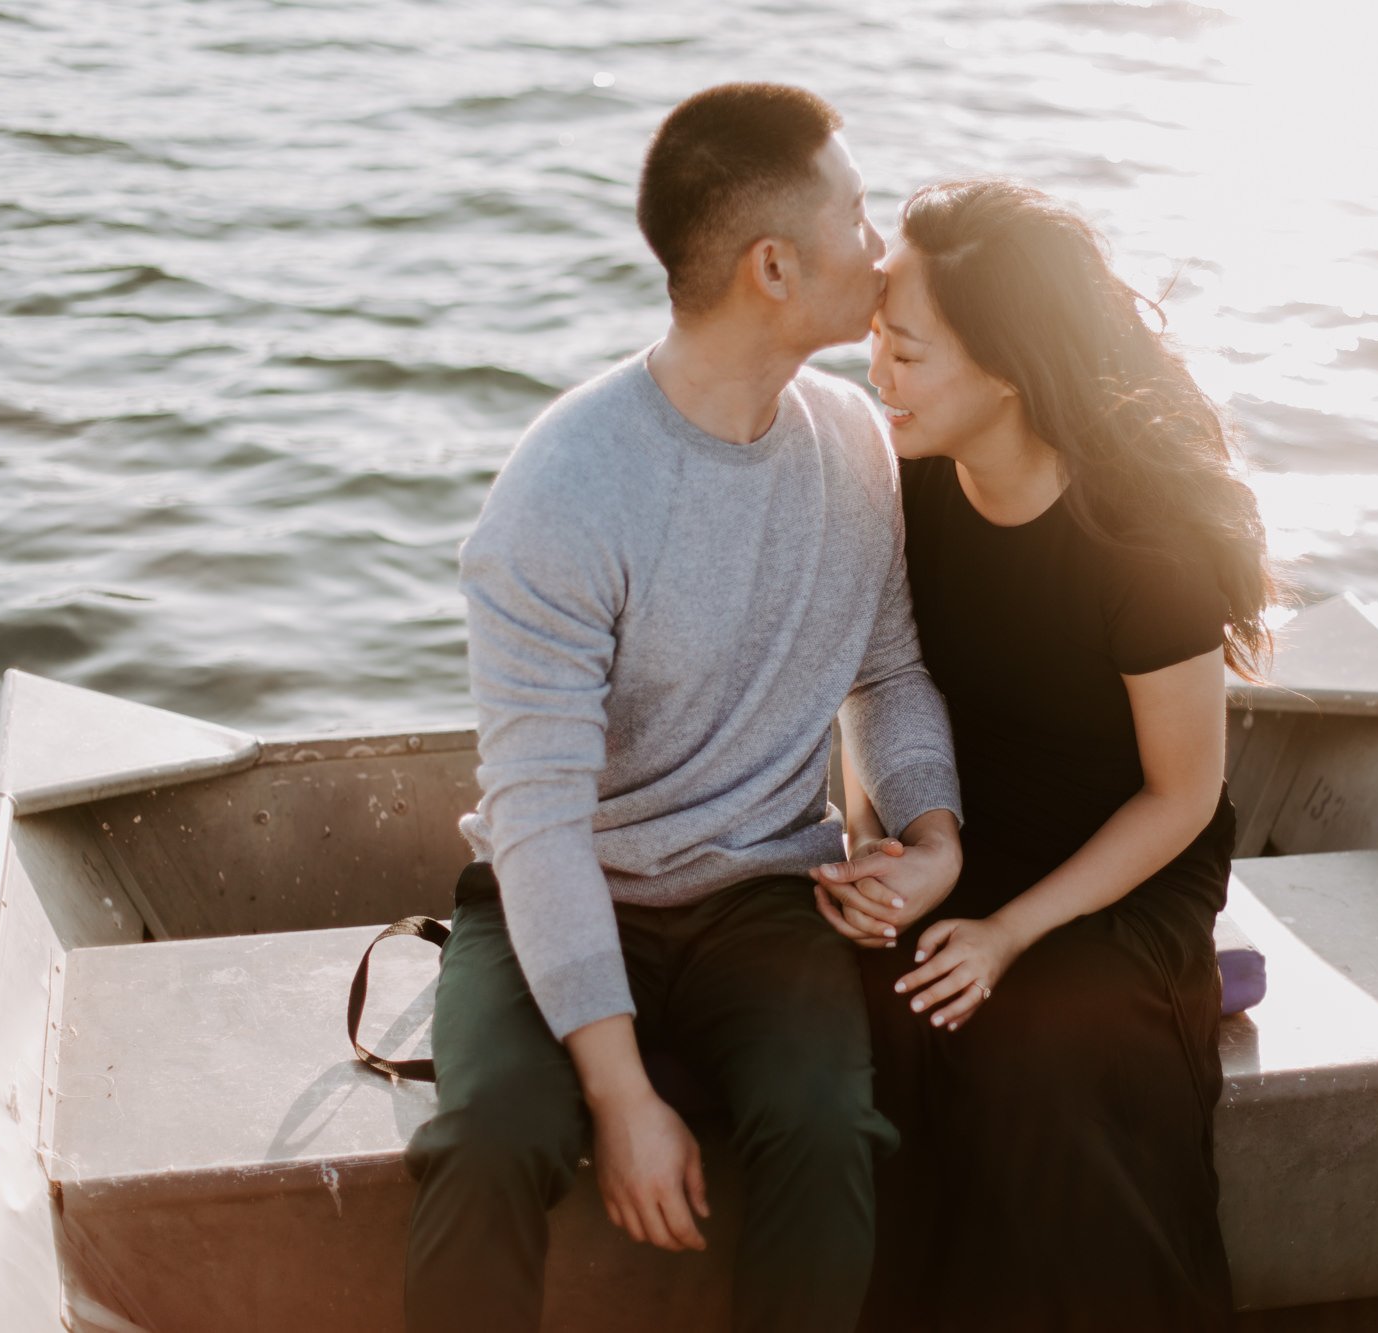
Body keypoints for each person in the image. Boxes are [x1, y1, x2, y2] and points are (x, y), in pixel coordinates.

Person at [402, 84, 965, 1333]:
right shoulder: (564, 491)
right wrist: (618, 1095)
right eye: (859, 215)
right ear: (775, 266)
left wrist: (932, 839)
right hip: (564, 885)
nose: (881, 249)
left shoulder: (858, 448)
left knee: (832, 1132)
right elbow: (537, 818)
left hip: (765, 898)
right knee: (488, 1140)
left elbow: (885, 674)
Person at [812, 178, 1274, 1332]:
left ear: (1007, 367)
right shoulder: (896, 482)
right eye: (875, 341)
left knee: (1031, 1051)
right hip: (959, 831)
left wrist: (1012, 931)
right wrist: (885, 849)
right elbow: (872, 685)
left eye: (906, 354)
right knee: (872, 1015)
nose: (878, 377)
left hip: (1121, 867)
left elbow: (1182, 797)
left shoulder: (1138, 542)